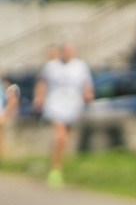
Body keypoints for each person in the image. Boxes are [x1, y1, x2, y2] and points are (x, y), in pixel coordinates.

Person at [33, 42, 94, 188]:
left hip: (73, 105)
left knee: (63, 140)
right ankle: (55, 170)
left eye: (71, 51)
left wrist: (88, 94)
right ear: (62, 52)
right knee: (59, 136)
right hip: (55, 103)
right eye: (66, 51)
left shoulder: (80, 66)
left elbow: (86, 84)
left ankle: (57, 164)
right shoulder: (51, 66)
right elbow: (42, 82)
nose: (69, 53)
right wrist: (39, 97)